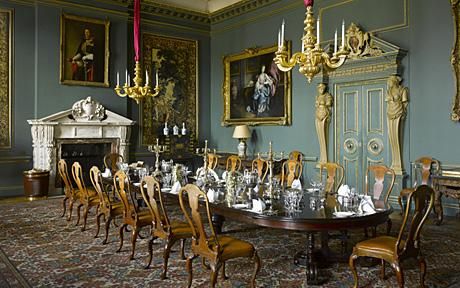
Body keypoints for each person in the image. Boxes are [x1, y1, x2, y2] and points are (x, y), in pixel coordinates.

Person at [315, 83, 333, 164]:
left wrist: (323, 103)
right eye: (319, 89)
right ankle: (322, 158)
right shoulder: (318, 97)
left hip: (324, 113)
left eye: (322, 89)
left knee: (324, 133)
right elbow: (316, 104)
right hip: (318, 114)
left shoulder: (327, 96)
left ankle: (325, 159)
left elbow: (329, 103)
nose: (321, 90)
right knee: (319, 134)